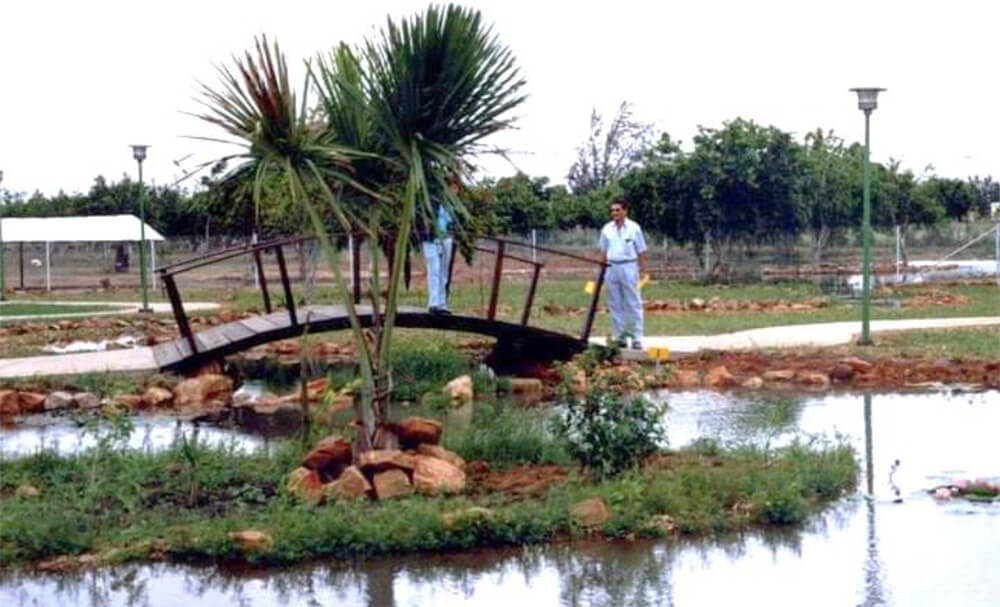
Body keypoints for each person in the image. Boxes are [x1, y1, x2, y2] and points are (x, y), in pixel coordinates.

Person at [599, 196, 647, 349]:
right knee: (615, 303)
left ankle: (636, 337)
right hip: (612, 267)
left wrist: (642, 270)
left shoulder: (634, 228)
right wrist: (602, 270)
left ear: (625, 211)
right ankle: (619, 337)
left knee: (633, 302)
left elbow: (641, 251)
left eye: (618, 210)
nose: (614, 213)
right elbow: (604, 251)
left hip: (629, 266)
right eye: (612, 210)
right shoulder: (607, 229)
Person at [422, 180, 457, 315]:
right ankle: (433, 303)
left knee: (443, 272)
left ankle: (442, 304)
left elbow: (451, 222)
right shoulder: (432, 201)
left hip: (446, 238)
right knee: (434, 269)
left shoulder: (452, 205)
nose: (454, 192)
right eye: (452, 189)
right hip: (431, 239)